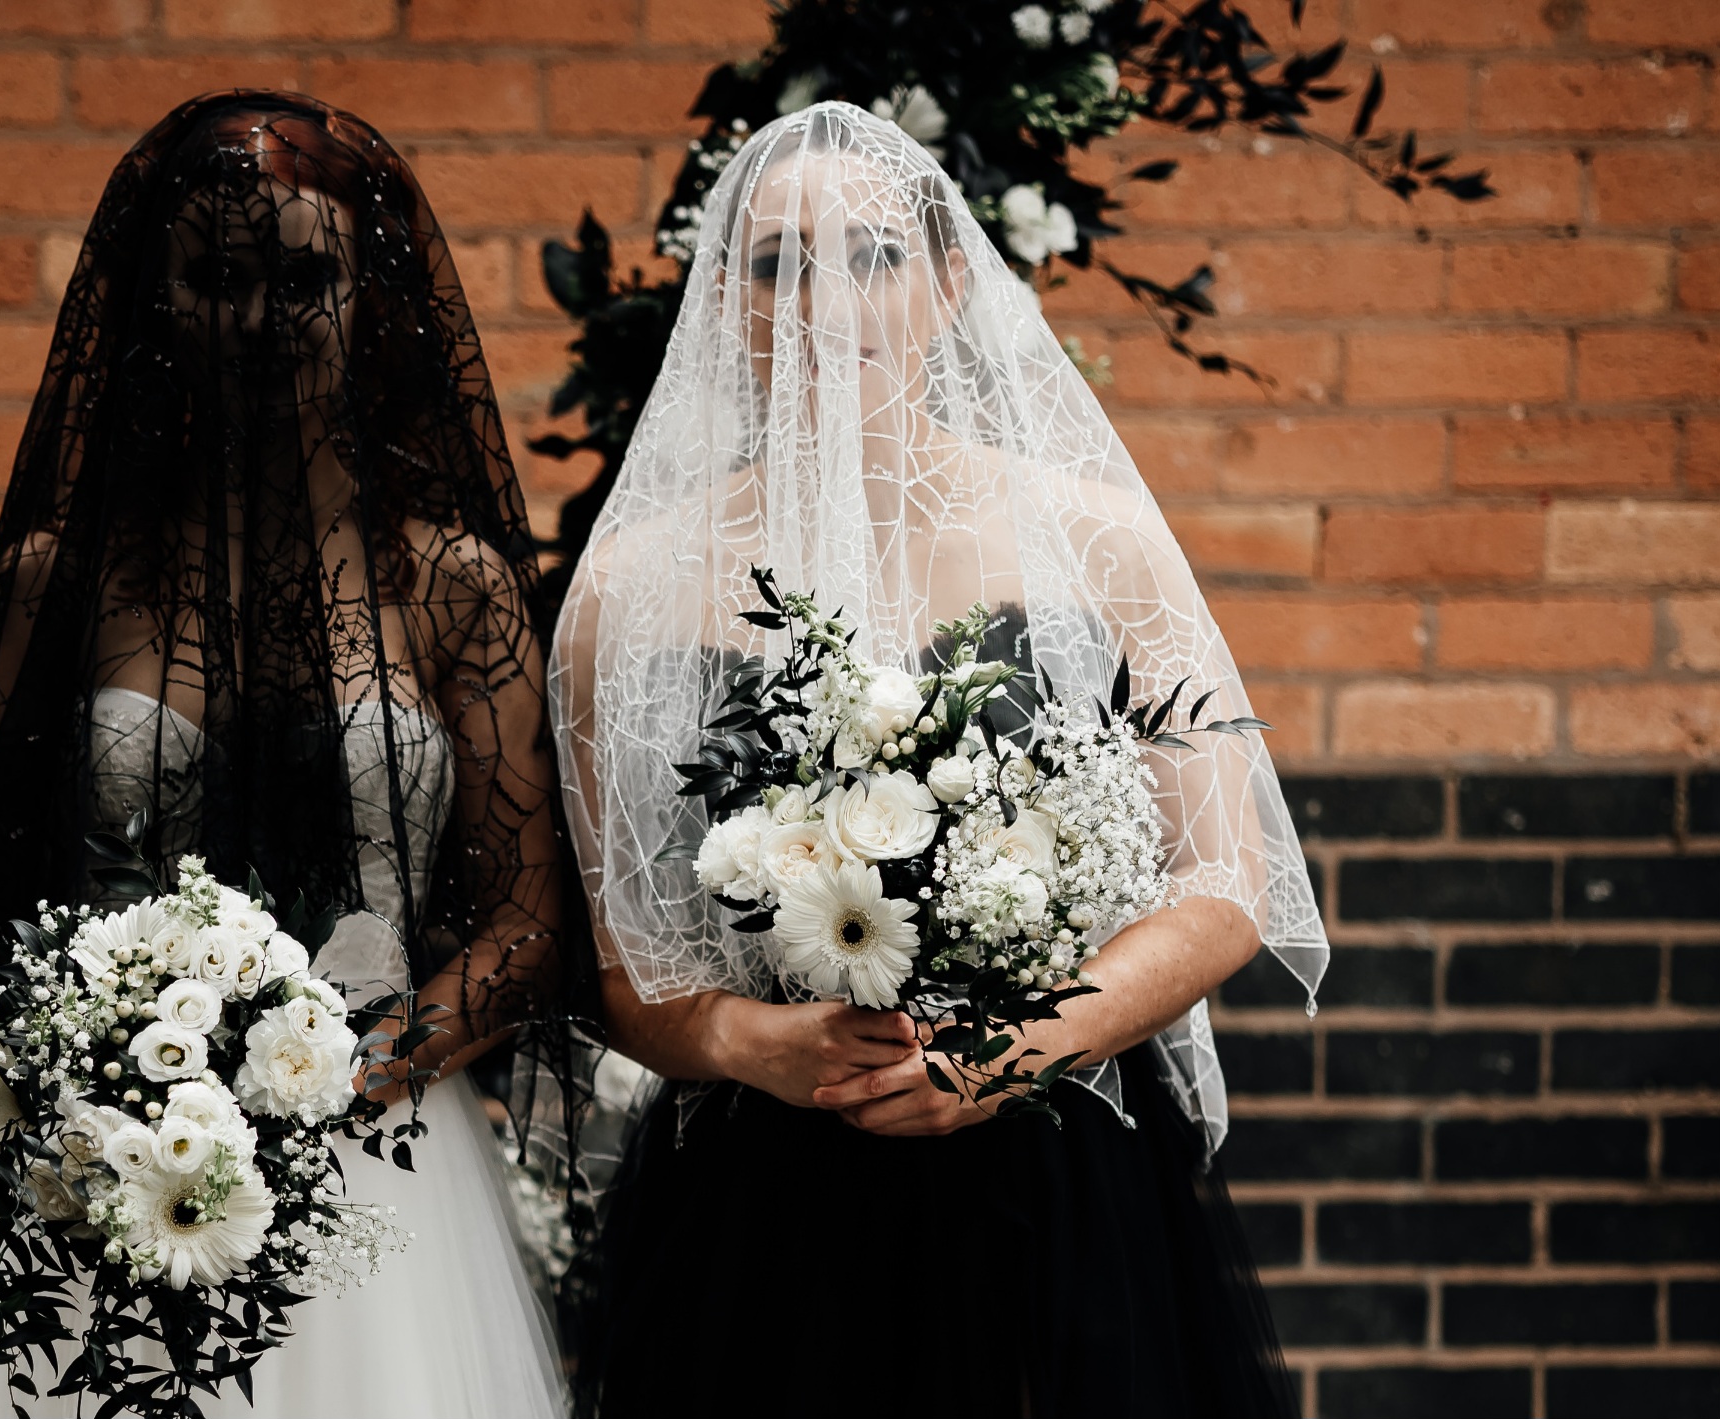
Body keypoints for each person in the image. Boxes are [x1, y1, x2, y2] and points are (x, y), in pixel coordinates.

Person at [551, 101, 1326, 1418]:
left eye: (870, 257)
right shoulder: (628, 595)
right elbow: (624, 964)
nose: (821, 301)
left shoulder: (1102, 546)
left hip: (1056, 1177)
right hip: (771, 1208)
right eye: (778, 263)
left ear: (951, 281)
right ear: (726, 295)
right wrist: (748, 1039)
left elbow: (1225, 879)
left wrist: (1022, 1045)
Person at [0, 92, 580, 1418]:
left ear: (375, 299)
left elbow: (531, 921)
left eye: (305, 278)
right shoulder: (57, 586)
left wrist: (340, 1070)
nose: (260, 321)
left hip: (370, 1150)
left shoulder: (451, 587)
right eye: (218, 278)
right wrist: (89, 1060)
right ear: (160, 300)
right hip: (87, 1160)